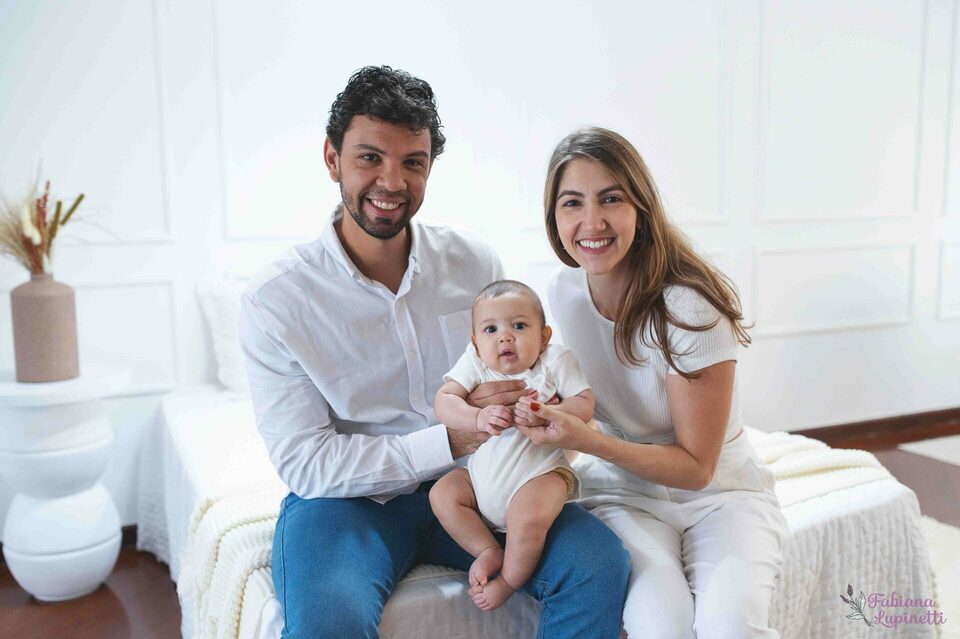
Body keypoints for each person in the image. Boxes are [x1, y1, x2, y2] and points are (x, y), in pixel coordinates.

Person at [239, 67, 629, 638]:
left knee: (598, 564)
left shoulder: (474, 263)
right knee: (329, 627)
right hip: (348, 503)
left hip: (486, 481)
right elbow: (306, 462)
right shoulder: (276, 301)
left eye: (412, 162)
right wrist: (449, 440)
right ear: (332, 159)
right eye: (370, 158)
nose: (391, 181)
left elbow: (531, 367)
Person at [512, 126, 787, 638]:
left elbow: (697, 468)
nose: (591, 222)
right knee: (660, 626)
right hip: (624, 495)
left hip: (721, 496)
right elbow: (580, 395)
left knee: (730, 628)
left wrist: (588, 440)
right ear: (554, 218)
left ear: (640, 208)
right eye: (572, 203)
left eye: (610, 198)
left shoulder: (688, 307)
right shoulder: (564, 293)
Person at [429, 279, 595, 611]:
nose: (504, 337)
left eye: (519, 326)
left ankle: (508, 581)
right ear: (476, 342)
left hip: (540, 474)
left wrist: (549, 413)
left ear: (544, 337)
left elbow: (585, 403)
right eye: (490, 330)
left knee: (528, 517)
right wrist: (477, 417)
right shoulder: (476, 363)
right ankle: (487, 549)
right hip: (480, 478)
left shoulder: (554, 361)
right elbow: (444, 401)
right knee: (442, 494)